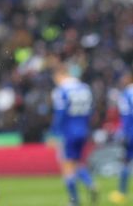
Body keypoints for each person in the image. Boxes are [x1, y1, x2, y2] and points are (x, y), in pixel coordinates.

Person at [51, 63, 98, 206]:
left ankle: (74, 200)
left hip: (68, 130)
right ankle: (89, 182)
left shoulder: (61, 90)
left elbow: (60, 113)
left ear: (61, 75)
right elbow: (91, 111)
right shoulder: (85, 88)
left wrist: (55, 132)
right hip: (83, 129)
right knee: (76, 162)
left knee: (67, 165)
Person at [110, 71, 133, 204]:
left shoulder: (126, 94)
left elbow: (126, 115)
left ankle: (121, 193)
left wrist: (124, 133)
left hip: (131, 132)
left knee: (125, 161)